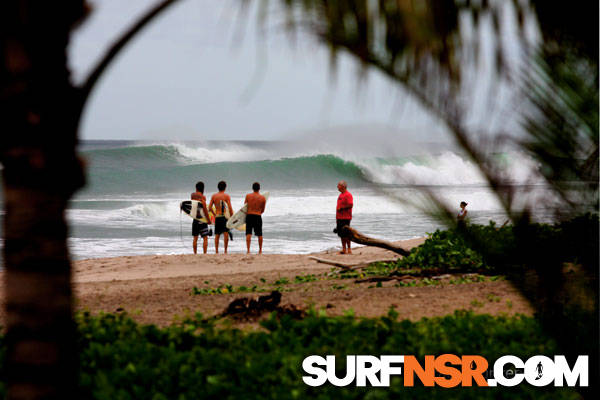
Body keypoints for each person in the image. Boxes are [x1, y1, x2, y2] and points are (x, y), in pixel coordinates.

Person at [209, 181, 233, 254]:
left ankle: (216, 251)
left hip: (218, 217)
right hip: (224, 217)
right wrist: (231, 217)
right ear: (225, 187)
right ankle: (225, 251)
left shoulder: (214, 196)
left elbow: (209, 207)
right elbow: (229, 207)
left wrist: (214, 214)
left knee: (217, 234)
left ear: (218, 187)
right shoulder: (226, 196)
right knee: (226, 233)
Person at [244, 182, 266, 254]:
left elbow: (245, 207)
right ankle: (260, 250)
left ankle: (248, 250)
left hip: (249, 216)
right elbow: (263, 210)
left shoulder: (248, 196)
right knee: (259, 234)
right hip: (258, 216)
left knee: (248, 233)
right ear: (259, 188)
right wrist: (258, 212)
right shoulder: (263, 198)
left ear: (252, 188)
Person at [191, 181, 211, 254]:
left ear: (196, 188)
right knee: (205, 237)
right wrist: (208, 220)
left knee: (195, 238)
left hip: (195, 218)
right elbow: (204, 209)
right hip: (202, 219)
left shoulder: (192, 195)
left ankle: (195, 253)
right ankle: (205, 253)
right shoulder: (203, 197)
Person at [336, 180, 353, 254]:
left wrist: (342, 208)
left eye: (338, 185)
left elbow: (350, 205)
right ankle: (344, 249)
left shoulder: (348, 195)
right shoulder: (341, 195)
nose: (337, 187)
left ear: (343, 186)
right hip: (339, 217)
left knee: (346, 233)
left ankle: (349, 249)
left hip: (346, 217)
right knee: (341, 234)